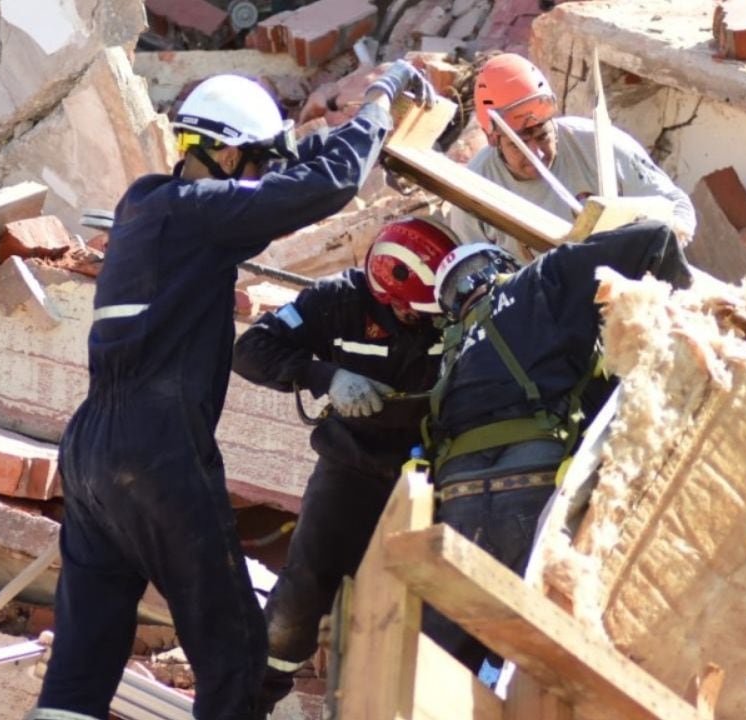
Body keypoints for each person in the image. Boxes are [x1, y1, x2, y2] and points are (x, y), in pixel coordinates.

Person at [29, 62, 436, 720]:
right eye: (252, 162)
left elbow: (272, 185)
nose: (256, 180)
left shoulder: (147, 204)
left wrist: (304, 142)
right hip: (157, 450)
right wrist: (378, 105)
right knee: (238, 657)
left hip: (89, 457)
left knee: (82, 665)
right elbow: (329, 186)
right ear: (221, 151)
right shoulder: (197, 217)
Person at [421, 220, 694, 673]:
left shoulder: (451, 351)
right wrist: (685, 321)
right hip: (534, 487)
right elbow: (654, 238)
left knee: (439, 671)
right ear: (504, 264)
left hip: (458, 507)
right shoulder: (539, 279)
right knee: (550, 665)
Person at [233, 216, 459, 713]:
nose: (423, 319)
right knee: (304, 591)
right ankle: (251, 703)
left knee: (439, 608)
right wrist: (325, 376)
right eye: (412, 311)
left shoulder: (457, 306)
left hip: (436, 474)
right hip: (352, 468)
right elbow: (251, 351)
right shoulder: (336, 301)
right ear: (385, 292)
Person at [447, 53, 696, 263]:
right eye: (519, 144)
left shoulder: (598, 144)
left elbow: (675, 203)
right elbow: (475, 271)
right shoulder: (474, 191)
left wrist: (665, 243)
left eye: (543, 135)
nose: (537, 153)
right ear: (493, 139)